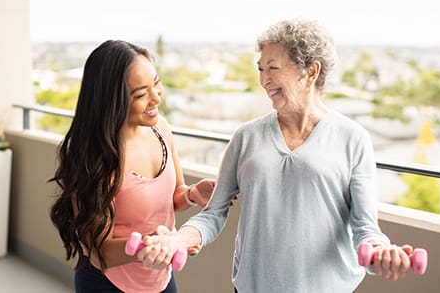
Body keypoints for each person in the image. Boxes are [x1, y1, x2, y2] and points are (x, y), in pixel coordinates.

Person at [138, 19, 416, 292]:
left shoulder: (353, 138)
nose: (263, 80)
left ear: (310, 72)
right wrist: (175, 241)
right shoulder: (246, 137)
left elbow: (365, 229)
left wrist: (380, 253)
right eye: (260, 69)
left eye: (273, 68)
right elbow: (212, 214)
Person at [49, 40, 215, 293]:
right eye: (140, 94)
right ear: (110, 100)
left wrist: (192, 194)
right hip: (108, 283)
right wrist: (152, 245)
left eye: (156, 84)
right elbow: (99, 252)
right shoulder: (92, 157)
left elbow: (173, 197)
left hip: (159, 277)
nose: (156, 97)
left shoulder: (160, 129)